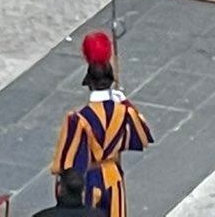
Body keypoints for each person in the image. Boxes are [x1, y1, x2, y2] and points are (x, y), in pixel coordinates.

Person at [52, 32, 149, 217]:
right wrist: (126, 103)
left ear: (89, 83)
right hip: (113, 175)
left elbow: (64, 163)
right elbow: (141, 136)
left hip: (89, 178)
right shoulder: (124, 111)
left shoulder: (77, 119)